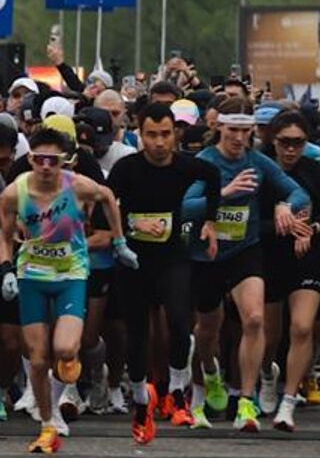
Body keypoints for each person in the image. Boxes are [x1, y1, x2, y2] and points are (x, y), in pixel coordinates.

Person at [0, 124, 133, 455]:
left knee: (66, 349)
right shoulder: (14, 194)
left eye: (53, 161)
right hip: (32, 275)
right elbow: (3, 234)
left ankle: (58, 396)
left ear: (64, 161)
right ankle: (48, 421)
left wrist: (119, 242)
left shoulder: (79, 186)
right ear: (30, 158)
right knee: (39, 356)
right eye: (39, 159)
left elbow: (108, 199)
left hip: (71, 273)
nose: (46, 167)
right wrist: (6, 270)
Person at [183, 104, 311, 430]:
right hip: (208, 254)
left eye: (246, 131)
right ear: (220, 128)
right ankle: (211, 375)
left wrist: (286, 206)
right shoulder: (206, 162)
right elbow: (183, 207)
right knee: (208, 332)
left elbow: (298, 192)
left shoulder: (257, 162)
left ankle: (246, 401)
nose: (240, 138)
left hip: (244, 249)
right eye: (233, 131)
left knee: (254, 319)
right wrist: (223, 194)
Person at [107, 99, 220, 443]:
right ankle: (142, 399)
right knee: (138, 333)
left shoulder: (187, 167)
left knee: (180, 321)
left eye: (165, 135)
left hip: (172, 256)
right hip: (135, 261)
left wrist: (211, 222)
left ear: (176, 135)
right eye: (151, 135)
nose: (159, 142)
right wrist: (118, 239)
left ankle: (176, 392)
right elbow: (106, 202)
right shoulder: (127, 169)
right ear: (139, 135)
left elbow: (213, 176)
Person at [261, 109, 319, 431]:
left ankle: (288, 401)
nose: (291, 149)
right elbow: (250, 222)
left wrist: (311, 229)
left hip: (307, 255)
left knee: (301, 327)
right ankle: (268, 373)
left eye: (298, 142)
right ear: (273, 140)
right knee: (269, 335)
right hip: (269, 255)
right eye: (284, 142)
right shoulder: (261, 170)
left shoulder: (314, 172)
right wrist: (281, 224)